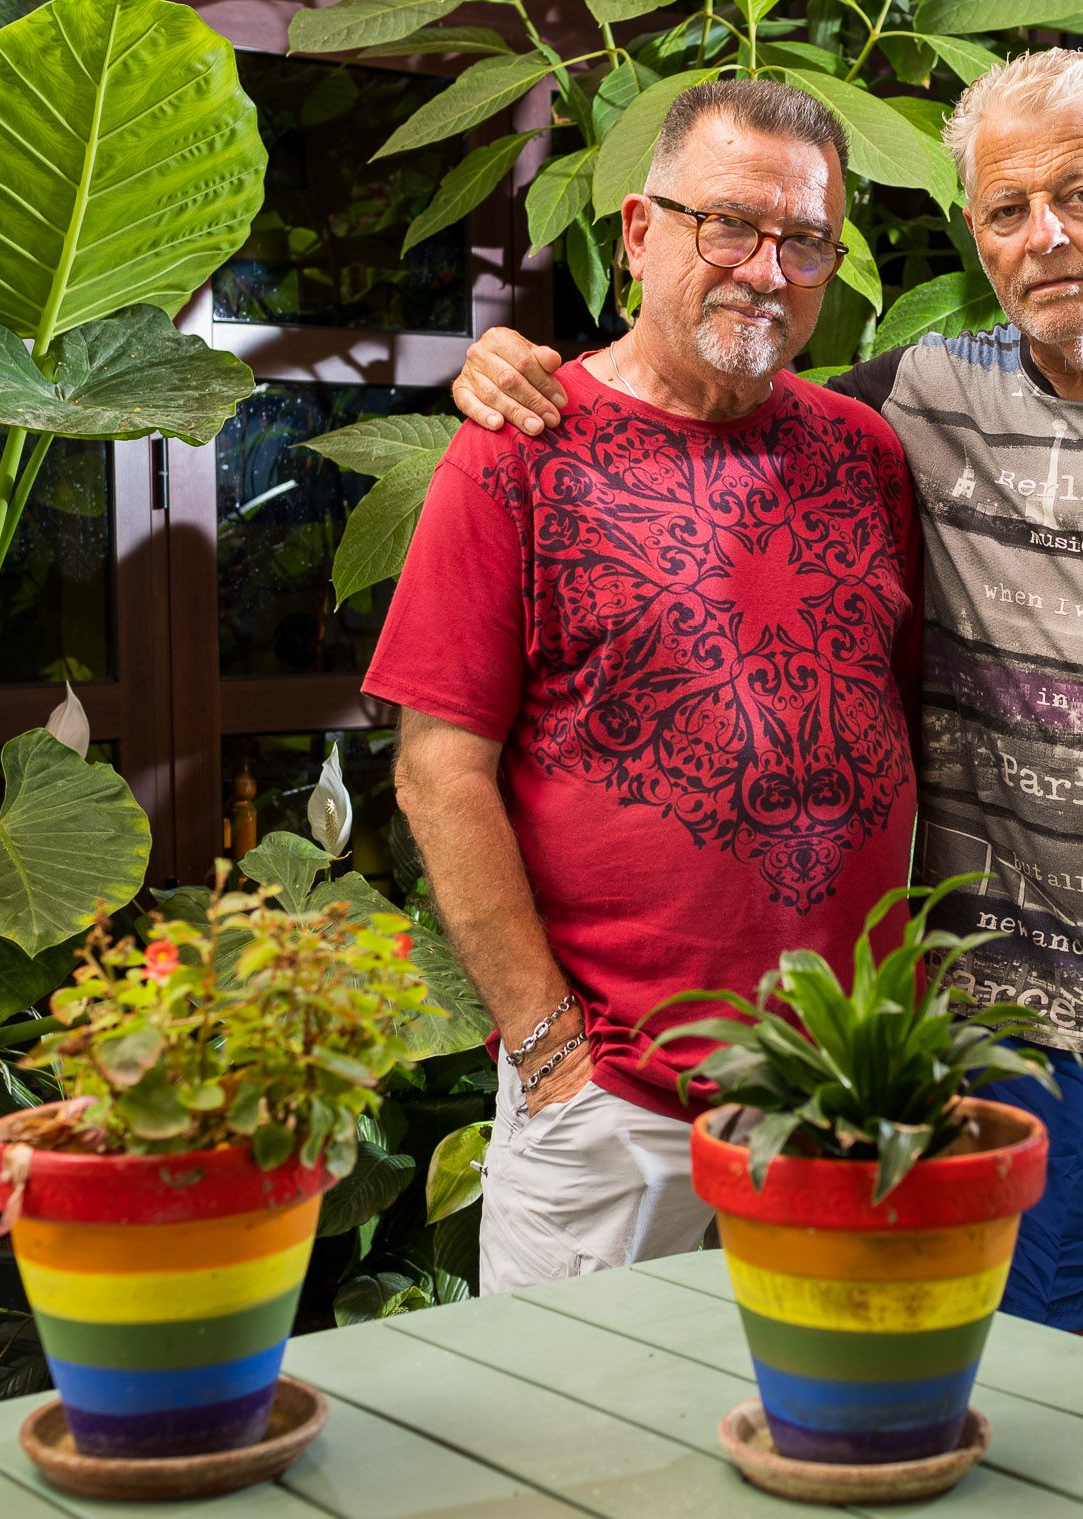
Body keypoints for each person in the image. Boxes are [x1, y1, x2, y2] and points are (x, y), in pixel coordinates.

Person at [448, 49, 1083, 1416]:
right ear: (973, 236)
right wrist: (515, 363)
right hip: (1027, 1015)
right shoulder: (916, 398)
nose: (1048, 237)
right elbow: (715, 372)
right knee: (1062, 1388)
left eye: (1082, 195)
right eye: (1006, 210)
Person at [363, 81, 920, 1295]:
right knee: (586, 1465)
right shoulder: (519, 449)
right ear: (636, 230)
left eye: (807, 240)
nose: (768, 271)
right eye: (729, 225)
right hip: (617, 1103)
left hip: (845, 1098)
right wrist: (550, 1049)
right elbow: (435, 770)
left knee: (840, 1443)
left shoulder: (863, 454)